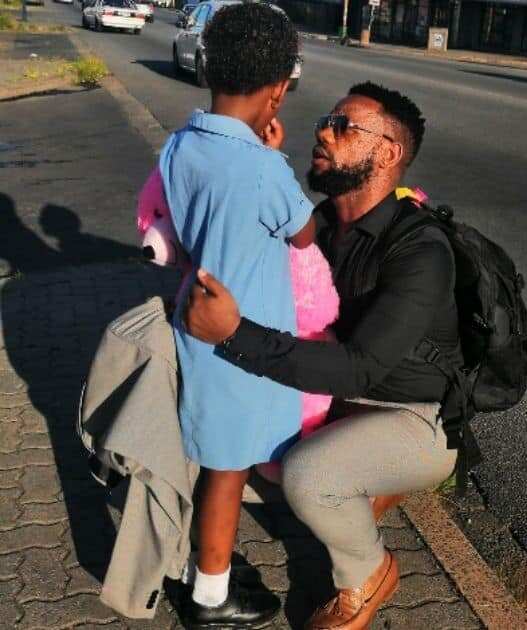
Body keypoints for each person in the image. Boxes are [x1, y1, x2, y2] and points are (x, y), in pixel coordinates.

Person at [182, 82, 462, 630]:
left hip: (414, 416)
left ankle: (367, 572)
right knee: (242, 451)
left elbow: (358, 367)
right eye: (326, 121)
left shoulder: (421, 250)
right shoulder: (325, 222)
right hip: (339, 399)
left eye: (344, 126)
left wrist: (233, 334)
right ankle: (362, 484)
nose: (323, 132)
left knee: (307, 477)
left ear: (387, 154)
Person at [158, 4, 313, 628]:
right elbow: (302, 235)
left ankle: (208, 562)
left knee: (216, 458)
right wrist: (275, 157)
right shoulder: (262, 166)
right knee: (226, 472)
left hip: (196, 324)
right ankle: (210, 597)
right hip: (240, 344)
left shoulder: (180, 145)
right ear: (278, 90)